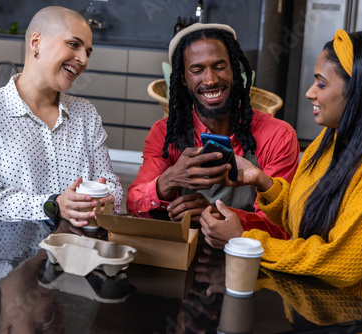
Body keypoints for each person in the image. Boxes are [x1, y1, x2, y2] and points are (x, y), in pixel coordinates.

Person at [200, 30, 362, 333]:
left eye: (321, 83)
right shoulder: (329, 139)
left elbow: (342, 263)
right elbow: (303, 221)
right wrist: (263, 182)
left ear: (358, 89)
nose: (309, 92)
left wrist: (246, 240)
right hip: (315, 310)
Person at [126, 23, 300, 243]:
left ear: (234, 71)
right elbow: (134, 205)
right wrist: (169, 179)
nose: (210, 80)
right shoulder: (165, 134)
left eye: (219, 67)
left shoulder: (278, 135)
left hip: (250, 260)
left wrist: (218, 214)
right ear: (182, 78)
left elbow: (280, 228)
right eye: (197, 70)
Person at [0, 6, 123, 226]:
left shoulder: (86, 114)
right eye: (74, 44)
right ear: (36, 43)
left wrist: (106, 199)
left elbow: (111, 185)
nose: (83, 59)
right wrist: (53, 205)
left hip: (72, 251)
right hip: (2, 254)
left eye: (88, 52)